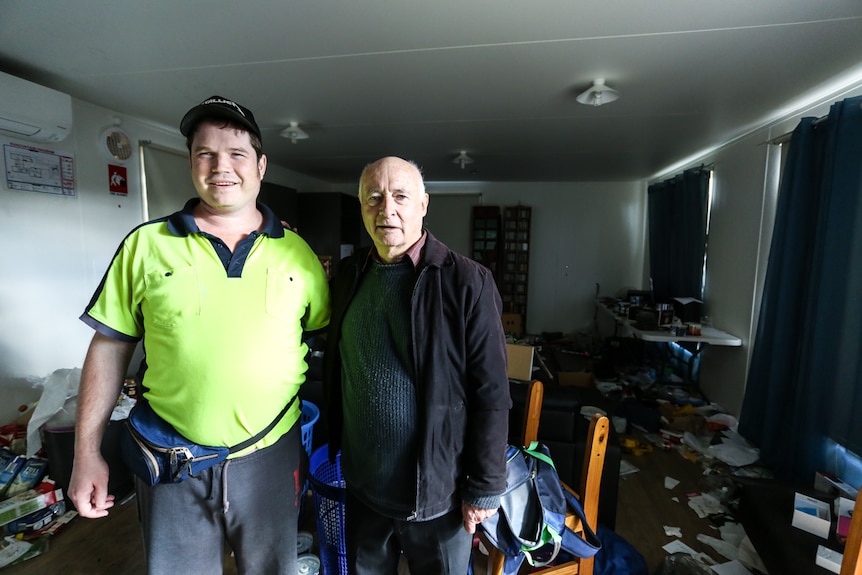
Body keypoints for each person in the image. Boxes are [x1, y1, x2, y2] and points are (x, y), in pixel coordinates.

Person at [68, 95, 330, 574]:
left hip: (271, 459)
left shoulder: (299, 255)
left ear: (261, 165)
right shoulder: (144, 246)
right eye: (205, 154)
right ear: (191, 163)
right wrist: (86, 453)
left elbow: (320, 339)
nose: (220, 167)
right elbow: (108, 348)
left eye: (236, 154)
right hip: (174, 461)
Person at [323, 156, 511, 574]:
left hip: (439, 495)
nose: (386, 209)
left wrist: (484, 487)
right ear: (361, 207)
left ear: (423, 205)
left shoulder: (468, 281)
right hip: (362, 488)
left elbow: (492, 392)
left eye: (400, 196)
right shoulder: (347, 277)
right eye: (373, 197)